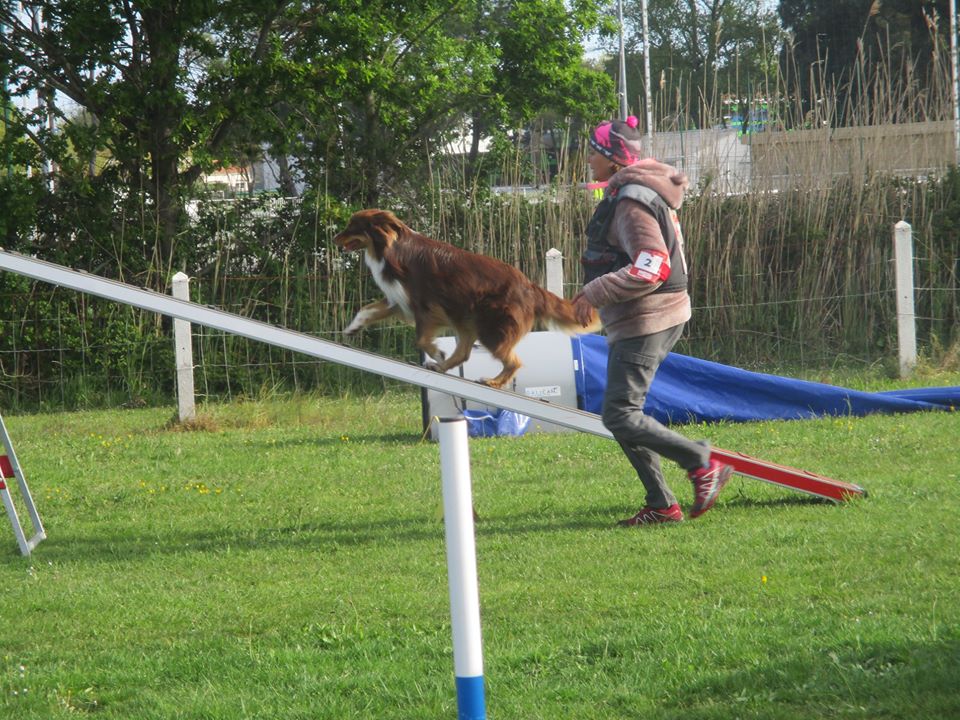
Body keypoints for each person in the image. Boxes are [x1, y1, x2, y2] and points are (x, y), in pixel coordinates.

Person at [571, 115, 733, 526]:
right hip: (650, 315)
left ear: (610, 159)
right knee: (621, 413)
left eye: (593, 151)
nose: (588, 158)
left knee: (621, 414)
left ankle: (701, 463)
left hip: (648, 318)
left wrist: (595, 292)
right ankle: (662, 504)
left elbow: (652, 267)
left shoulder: (630, 202)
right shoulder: (639, 192)